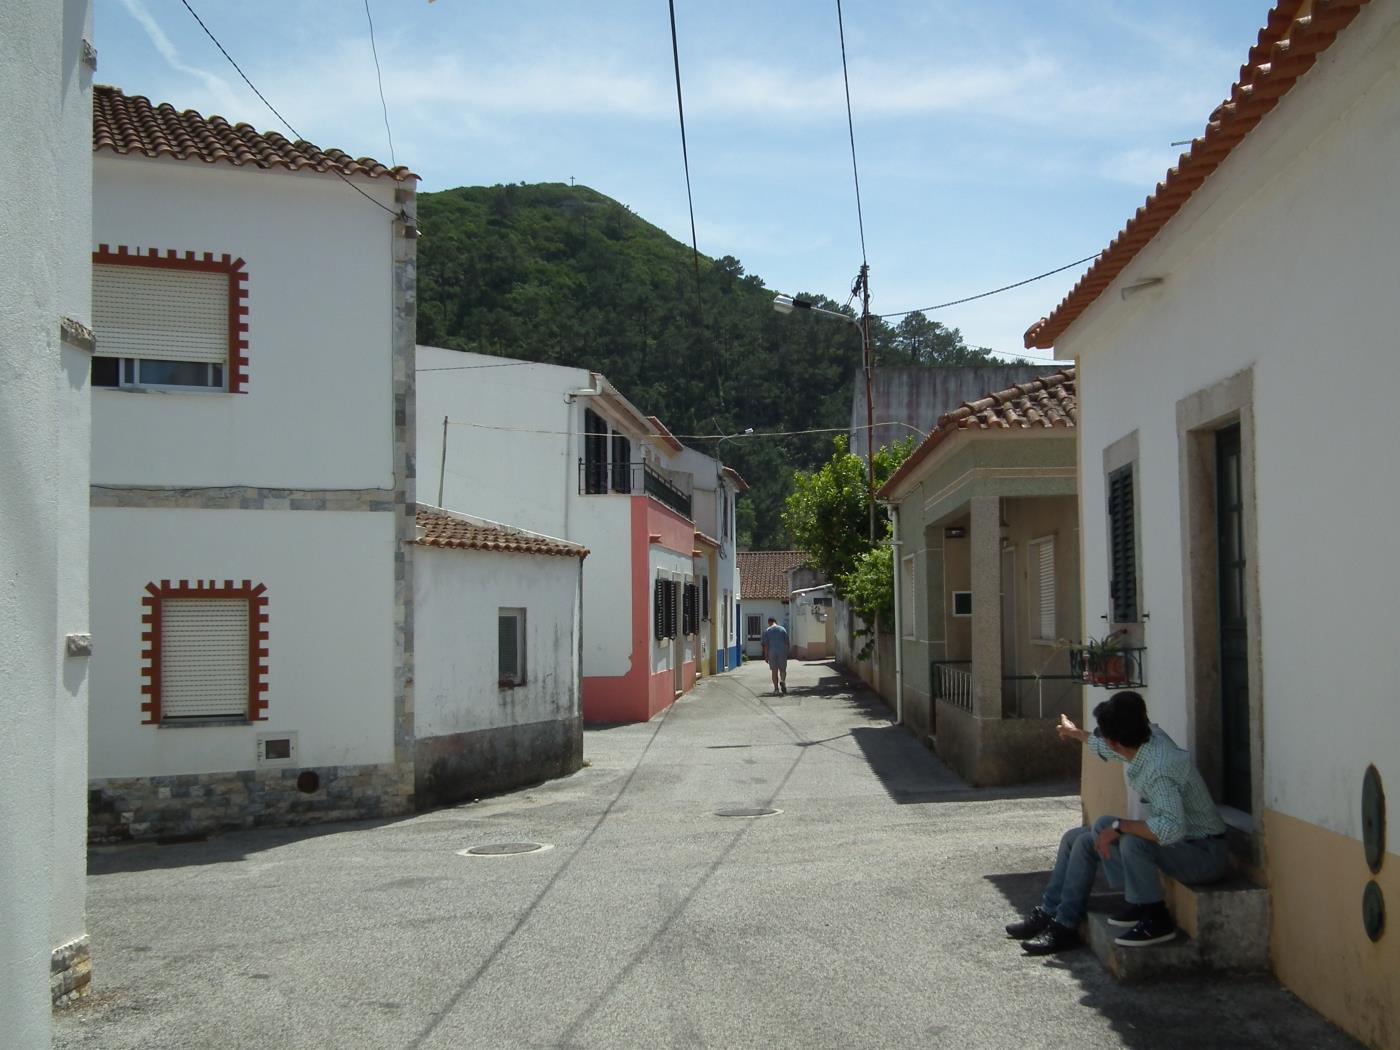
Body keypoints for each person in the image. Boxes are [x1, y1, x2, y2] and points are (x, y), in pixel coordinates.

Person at [1005, 691, 1230, 955]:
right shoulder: (1143, 740)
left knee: (1131, 841)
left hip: (1204, 854)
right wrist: (1075, 733)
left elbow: (1171, 828)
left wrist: (1120, 828)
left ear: (1116, 741)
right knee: (1076, 838)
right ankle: (1051, 913)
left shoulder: (1159, 768)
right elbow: (1106, 747)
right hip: (1186, 845)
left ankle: (1155, 918)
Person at [760, 616, 789, 695]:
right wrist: (786, 653)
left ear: (769, 622)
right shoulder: (783, 629)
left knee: (774, 671)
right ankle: (782, 681)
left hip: (772, 653)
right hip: (782, 652)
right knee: (783, 670)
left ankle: (776, 689)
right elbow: (787, 643)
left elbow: (766, 645)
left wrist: (766, 656)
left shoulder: (767, 630)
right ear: (776, 622)